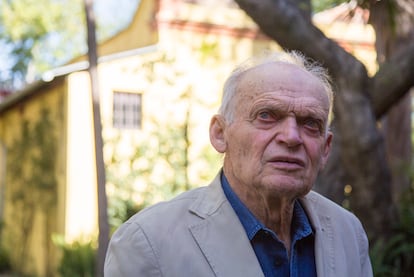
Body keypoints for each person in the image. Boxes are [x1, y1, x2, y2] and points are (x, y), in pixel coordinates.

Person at [104, 50, 373, 277]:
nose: (291, 137)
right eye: (267, 115)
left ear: (325, 149)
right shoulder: (148, 242)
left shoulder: (347, 232)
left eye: (310, 123)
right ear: (220, 134)